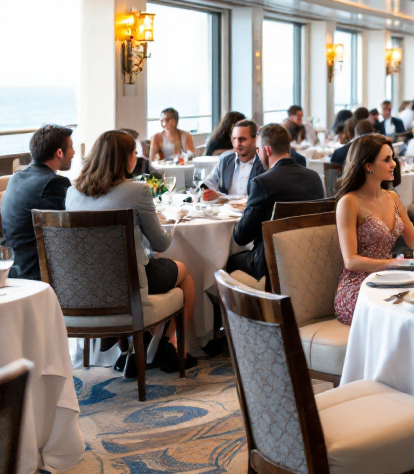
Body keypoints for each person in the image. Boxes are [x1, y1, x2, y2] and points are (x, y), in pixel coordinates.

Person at [66, 130, 196, 372]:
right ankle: (174, 346)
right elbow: (160, 244)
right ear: (124, 158)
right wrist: (173, 224)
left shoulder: (72, 193)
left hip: (86, 288)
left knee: (148, 265)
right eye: (134, 153)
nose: (136, 157)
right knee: (185, 274)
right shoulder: (137, 191)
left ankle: (133, 349)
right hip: (131, 285)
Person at [332, 135, 414, 325]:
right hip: (358, 288)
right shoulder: (349, 202)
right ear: (367, 165)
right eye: (386, 159)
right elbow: (351, 261)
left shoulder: (392, 197)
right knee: (409, 310)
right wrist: (392, 263)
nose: (394, 164)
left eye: (392, 158)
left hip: (391, 278)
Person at [227, 124, 325, 282]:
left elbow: (242, 237)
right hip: (309, 259)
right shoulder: (315, 178)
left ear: (267, 150)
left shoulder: (261, 183)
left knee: (230, 262)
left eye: (258, 150)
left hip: (271, 265)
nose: (258, 155)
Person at [1, 124, 74, 280]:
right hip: (38, 272)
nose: (73, 152)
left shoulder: (16, 178)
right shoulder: (54, 183)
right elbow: (63, 234)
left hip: (14, 266)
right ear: (59, 153)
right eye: (71, 147)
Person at [201, 120, 263, 199]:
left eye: (242, 139)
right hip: (223, 210)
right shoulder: (225, 159)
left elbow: (256, 199)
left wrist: (221, 197)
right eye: (234, 138)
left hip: (249, 210)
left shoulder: (262, 163)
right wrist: (205, 191)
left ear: (254, 139)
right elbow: (209, 183)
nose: (237, 143)